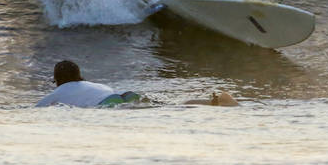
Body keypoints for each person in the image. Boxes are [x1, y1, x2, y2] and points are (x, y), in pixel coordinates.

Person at [36, 60, 238, 107]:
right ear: (80, 76)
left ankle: (214, 102)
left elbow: (35, 110)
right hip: (123, 93)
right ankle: (211, 101)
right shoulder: (92, 85)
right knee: (166, 106)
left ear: (57, 80)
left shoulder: (57, 94)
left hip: (108, 103)